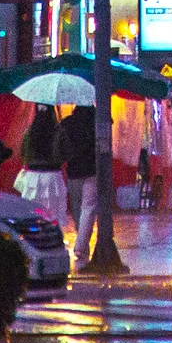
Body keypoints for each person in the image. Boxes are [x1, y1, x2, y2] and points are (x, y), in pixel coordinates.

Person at [58, 102, 107, 248]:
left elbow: (61, 147)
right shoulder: (97, 121)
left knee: (77, 209)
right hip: (93, 169)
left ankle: (81, 241)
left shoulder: (66, 123)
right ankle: (81, 245)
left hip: (74, 171)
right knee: (89, 209)